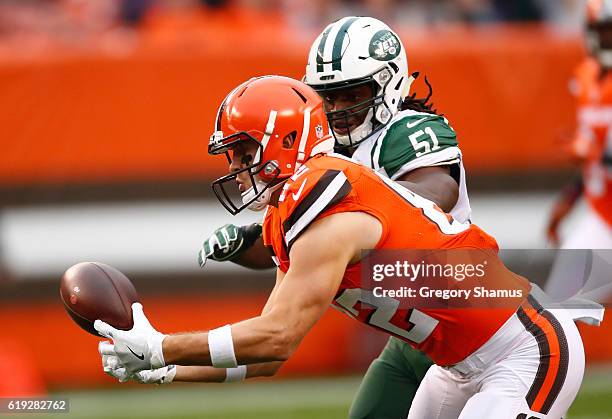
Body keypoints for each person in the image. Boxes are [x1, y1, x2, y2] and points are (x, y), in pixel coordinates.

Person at [98, 75, 585, 419]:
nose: (237, 168)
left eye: (245, 152)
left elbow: (275, 337)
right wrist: (168, 371)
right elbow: (267, 359)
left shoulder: (328, 197)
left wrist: (161, 347)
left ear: (286, 140)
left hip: (525, 346)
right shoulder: (290, 216)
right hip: (455, 364)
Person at [199, 16, 470, 418]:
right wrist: (249, 242)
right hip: (410, 335)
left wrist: (354, 205)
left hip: (465, 313)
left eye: (352, 94)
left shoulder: (408, 130)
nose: (340, 108)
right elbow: (296, 251)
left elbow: (436, 194)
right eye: (330, 96)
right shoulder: (320, 154)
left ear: (388, 82)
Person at [546, 0, 612, 250]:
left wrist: (594, 152)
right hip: (602, 215)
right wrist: (568, 200)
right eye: (606, 33)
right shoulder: (585, 80)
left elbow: (596, 153)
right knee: (565, 288)